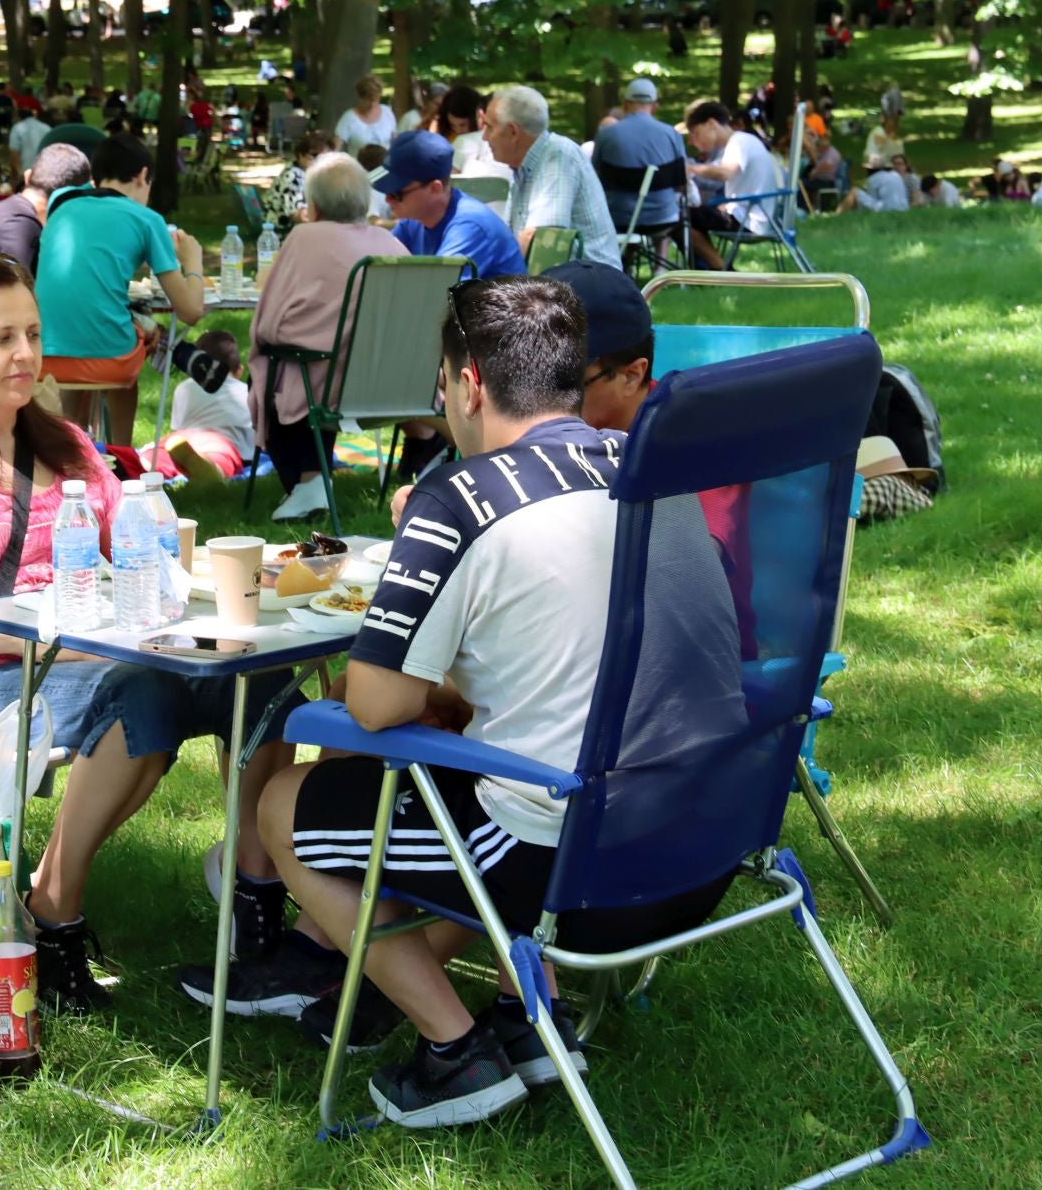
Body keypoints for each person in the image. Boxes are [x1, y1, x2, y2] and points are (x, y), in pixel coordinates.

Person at [192, 274, 747, 1128]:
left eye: (442, 385)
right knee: (465, 774)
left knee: (284, 801)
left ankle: (456, 1049)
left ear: (470, 382)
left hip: (579, 870)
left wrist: (427, 695)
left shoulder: (464, 499)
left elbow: (376, 706)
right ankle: (534, 1019)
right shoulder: (649, 469)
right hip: (704, 840)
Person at [0, 252, 302, 1012]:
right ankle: (54, 912)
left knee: (260, 679)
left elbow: (132, 550)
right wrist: (5, 627)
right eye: (0, 339)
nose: (26, 354)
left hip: (92, 652)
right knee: (143, 692)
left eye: (31, 332)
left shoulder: (63, 444)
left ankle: (253, 899)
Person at [559, 259, 757, 660]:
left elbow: (688, 575)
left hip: (682, 670)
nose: (542, 398)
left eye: (567, 383)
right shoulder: (552, 429)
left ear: (632, 375)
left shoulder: (698, 440)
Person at [249, 152, 408, 522]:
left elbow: (270, 321)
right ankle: (312, 483)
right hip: (396, 385)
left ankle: (309, 484)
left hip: (326, 384)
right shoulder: (389, 242)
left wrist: (266, 341)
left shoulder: (305, 237)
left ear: (314, 205)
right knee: (314, 363)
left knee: (283, 366)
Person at [32, 133, 206, 440]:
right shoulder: (147, 219)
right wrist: (193, 263)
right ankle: (121, 455)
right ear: (142, 176)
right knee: (142, 339)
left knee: (101, 336)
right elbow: (191, 311)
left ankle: (75, 448)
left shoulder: (61, 202)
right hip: (111, 363)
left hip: (44, 355)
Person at [480, 86, 620, 269]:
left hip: (591, 289)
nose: (484, 137)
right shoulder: (525, 165)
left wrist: (493, 277)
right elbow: (509, 240)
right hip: (562, 284)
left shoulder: (558, 157)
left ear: (513, 132)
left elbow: (540, 240)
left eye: (489, 127)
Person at [380, 130, 528, 280]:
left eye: (396, 193)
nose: (387, 199)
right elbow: (380, 264)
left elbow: (433, 291)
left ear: (434, 189)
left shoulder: (470, 226)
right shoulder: (414, 220)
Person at [0, 142, 91, 275]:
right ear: (72, 198)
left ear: (27, 177)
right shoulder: (20, 228)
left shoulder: (11, 214)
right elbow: (20, 293)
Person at [142, 329, 257, 483]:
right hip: (221, 441)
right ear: (239, 371)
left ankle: (141, 462)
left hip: (183, 438)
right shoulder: (247, 392)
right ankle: (212, 468)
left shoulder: (184, 388)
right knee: (220, 457)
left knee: (157, 453)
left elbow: (179, 427)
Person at [682, 99, 783, 270]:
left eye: (696, 133)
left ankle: (722, 270)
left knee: (680, 216)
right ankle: (719, 269)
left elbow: (725, 172)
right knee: (691, 214)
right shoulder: (743, 140)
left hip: (749, 220)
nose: (692, 141)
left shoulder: (739, 142)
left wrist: (691, 169)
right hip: (756, 215)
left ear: (711, 124)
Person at [590, 77, 688, 239]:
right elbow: (681, 181)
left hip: (617, 217)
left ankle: (624, 261)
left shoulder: (606, 134)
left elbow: (595, 176)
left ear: (625, 104)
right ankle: (660, 265)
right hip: (663, 217)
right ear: (655, 106)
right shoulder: (672, 134)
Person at [261, 129, 336, 231]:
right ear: (300, 155)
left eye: (325, 156)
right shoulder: (292, 176)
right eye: (314, 155)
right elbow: (299, 216)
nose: (320, 160)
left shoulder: (313, 175)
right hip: (281, 233)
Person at [334, 74, 396, 155]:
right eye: (368, 100)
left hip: (385, 166)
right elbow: (335, 149)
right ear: (360, 97)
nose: (372, 104)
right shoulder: (348, 118)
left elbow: (395, 141)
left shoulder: (387, 113)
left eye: (376, 100)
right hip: (358, 167)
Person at [838, 156, 918, 213]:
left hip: (887, 209)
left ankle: (838, 215)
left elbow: (872, 200)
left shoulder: (873, 179)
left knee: (854, 191)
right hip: (904, 209)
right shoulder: (895, 175)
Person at [8, 106, 51, 177]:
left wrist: (16, 174)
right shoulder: (46, 127)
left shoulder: (17, 128)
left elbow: (14, 152)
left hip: (25, 170)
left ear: (18, 117)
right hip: (45, 170)